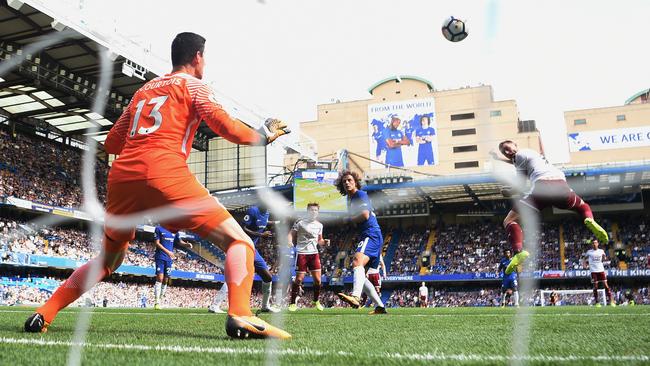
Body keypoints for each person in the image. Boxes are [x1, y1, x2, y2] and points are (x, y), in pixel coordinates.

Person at [24, 32, 291, 339]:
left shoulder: (144, 90)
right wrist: (261, 135)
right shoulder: (194, 85)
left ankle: (44, 313)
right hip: (165, 173)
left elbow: (112, 143)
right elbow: (223, 124)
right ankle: (241, 314)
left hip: (123, 178)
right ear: (198, 57)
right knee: (238, 241)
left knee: (108, 260)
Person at [491, 140, 608, 274]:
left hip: (542, 189)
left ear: (516, 145)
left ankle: (519, 252)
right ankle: (589, 220)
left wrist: (509, 191)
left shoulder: (519, 156)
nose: (506, 152)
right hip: (560, 186)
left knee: (509, 220)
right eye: (503, 152)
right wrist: (499, 159)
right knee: (582, 205)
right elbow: (515, 160)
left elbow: (521, 184)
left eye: (507, 148)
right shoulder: (529, 155)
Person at [335, 170, 387, 314]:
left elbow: (365, 215)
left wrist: (348, 220)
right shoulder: (352, 200)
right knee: (361, 274)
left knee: (357, 263)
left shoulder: (360, 195)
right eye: (344, 181)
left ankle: (356, 297)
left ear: (355, 182)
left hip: (371, 234)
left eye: (349, 180)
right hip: (371, 235)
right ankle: (380, 307)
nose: (346, 183)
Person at [287, 203, 329, 311]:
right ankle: (292, 303)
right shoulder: (300, 222)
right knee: (299, 279)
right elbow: (291, 234)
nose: (313, 212)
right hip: (302, 253)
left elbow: (319, 240)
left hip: (314, 253)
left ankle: (316, 301)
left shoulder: (319, 225)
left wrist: (325, 242)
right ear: (307, 211)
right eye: (311, 210)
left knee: (318, 280)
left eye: (315, 210)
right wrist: (289, 241)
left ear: (318, 212)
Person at [241, 205, 280, 313]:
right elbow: (243, 228)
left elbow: (264, 221)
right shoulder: (253, 210)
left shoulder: (267, 213)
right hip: (243, 246)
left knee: (267, 277)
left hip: (252, 248)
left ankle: (265, 306)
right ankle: (215, 304)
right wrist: (261, 234)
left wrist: (277, 222)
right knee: (238, 276)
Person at [152, 226, 193, 309]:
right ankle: (157, 302)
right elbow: (157, 243)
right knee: (160, 278)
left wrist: (186, 244)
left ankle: (161, 299)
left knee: (166, 279)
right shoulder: (159, 228)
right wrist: (168, 252)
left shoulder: (175, 230)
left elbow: (179, 241)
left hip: (169, 259)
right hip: (160, 256)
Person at [583, 239, 615, 307]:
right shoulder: (589, 252)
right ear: (592, 244)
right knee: (595, 286)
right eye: (593, 243)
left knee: (606, 285)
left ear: (598, 244)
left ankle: (611, 301)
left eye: (595, 243)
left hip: (601, 270)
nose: (594, 244)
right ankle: (597, 302)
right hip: (593, 271)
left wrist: (604, 257)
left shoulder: (601, 251)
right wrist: (584, 264)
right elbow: (584, 258)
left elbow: (604, 259)